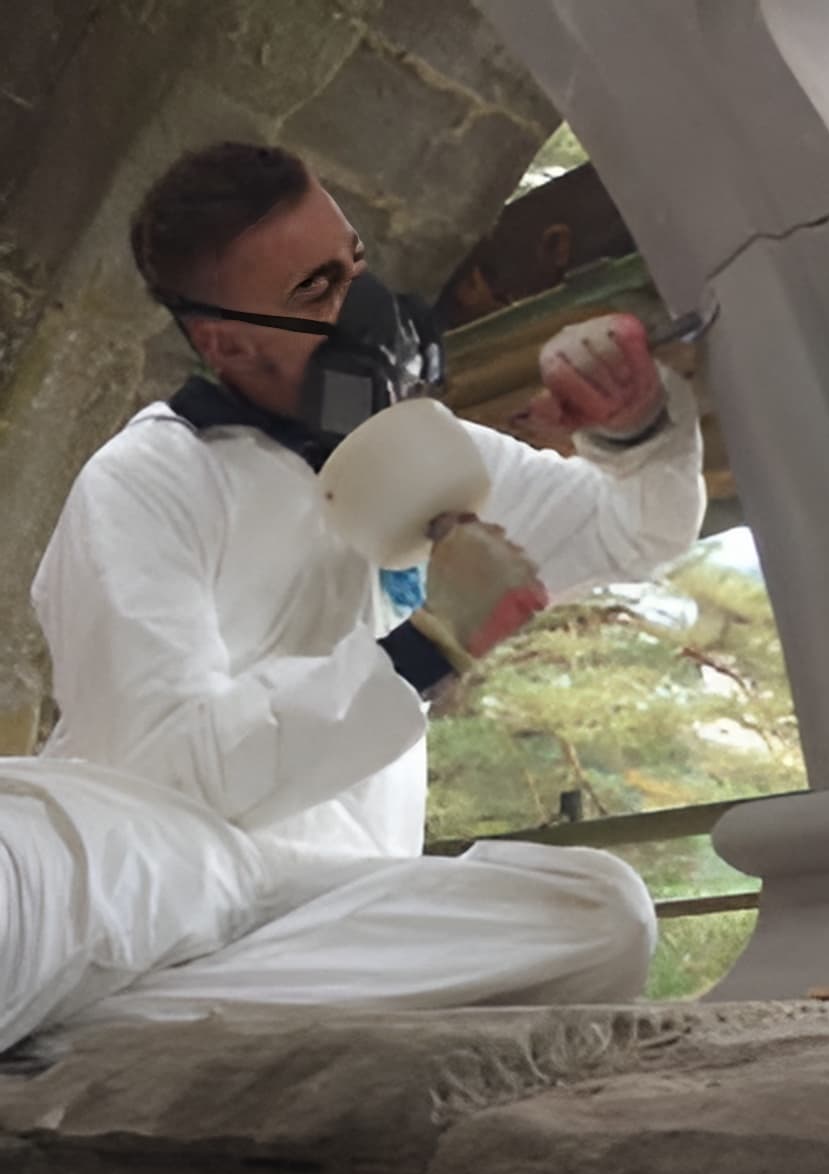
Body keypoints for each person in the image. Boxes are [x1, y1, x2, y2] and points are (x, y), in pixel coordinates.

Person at [2, 142, 704, 1051]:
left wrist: (631, 424)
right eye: (316, 292)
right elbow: (168, 764)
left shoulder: (438, 452)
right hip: (161, 868)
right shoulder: (148, 479)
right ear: (223, 340)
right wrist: (419, 648)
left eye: (354, 263)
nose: (365, 311)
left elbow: (631, 533)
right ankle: (110, 1003)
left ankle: (93, 1031)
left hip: (333, 909)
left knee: (601, 915)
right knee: (29, 878)